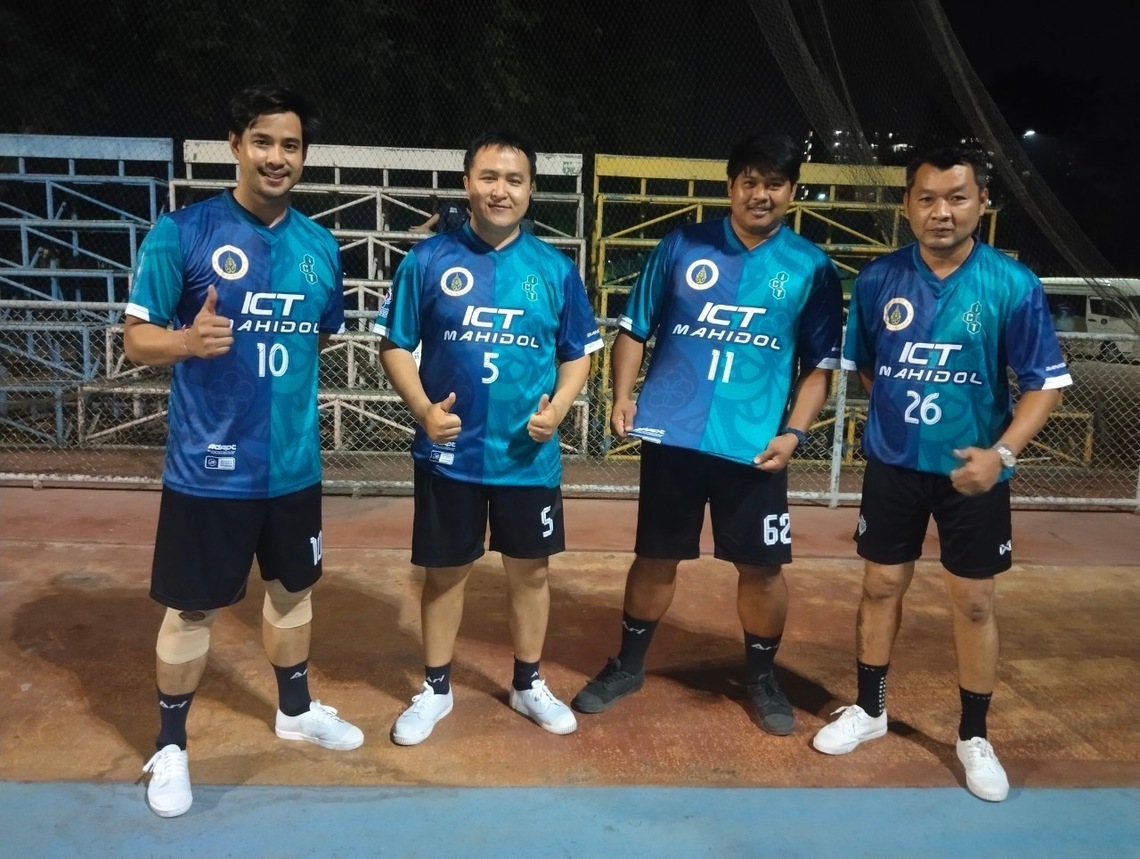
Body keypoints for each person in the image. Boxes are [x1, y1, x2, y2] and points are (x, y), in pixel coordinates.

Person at [125, 84, 364, 819]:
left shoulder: (320, 247)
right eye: (263, 141)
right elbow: (135, 340)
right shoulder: (182, 232)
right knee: (192, 610)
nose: (276, 156)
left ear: (304, 155)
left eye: (290, 145)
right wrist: (184, 341)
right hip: (208, 470)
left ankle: (294, 710)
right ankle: (170, 746)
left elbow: (320, 334)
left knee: (293, 594)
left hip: (292, 468)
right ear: (235, 145)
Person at [811, 145, 1072, 802]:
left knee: (975, 601)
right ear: (907, 205)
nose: (941, 211)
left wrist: (1000, 454)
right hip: (895, 466)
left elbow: (1044, 384)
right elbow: (871, 369)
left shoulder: (1012, 284)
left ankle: (974, 736)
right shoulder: (878, 280)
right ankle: (870, 710)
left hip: (974, 472)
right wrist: (903, 426)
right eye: (926, 198)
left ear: (982, 202)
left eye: (957, 197)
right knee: (880, 586)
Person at [571, 132, 844, 736]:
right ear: (730, 186)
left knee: (761, 569)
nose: (760, 194)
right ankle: (628, 666)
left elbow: (819, 366)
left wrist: (795, 434)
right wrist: (623, 395)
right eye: (750, 182)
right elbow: (633, 328)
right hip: (675, 436)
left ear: (792, 192)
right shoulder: (681, 245)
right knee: (655, 556)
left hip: (754, 445)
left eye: (774, 184)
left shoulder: (812, 267)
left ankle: (762, 677)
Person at [374, 129, 604, 745]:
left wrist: (559, 407)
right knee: (445, 573)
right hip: (449, 454)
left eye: (514, 180)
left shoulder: (555, 269)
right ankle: (436, 688)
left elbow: (578, 353)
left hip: (527, 456)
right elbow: (394, 344)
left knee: (530, 573)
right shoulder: (427, 261)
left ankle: (528, 683)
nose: (501, 190)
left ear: (530, 190)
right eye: (489, 177)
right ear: (467, 184)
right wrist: (423, 409)